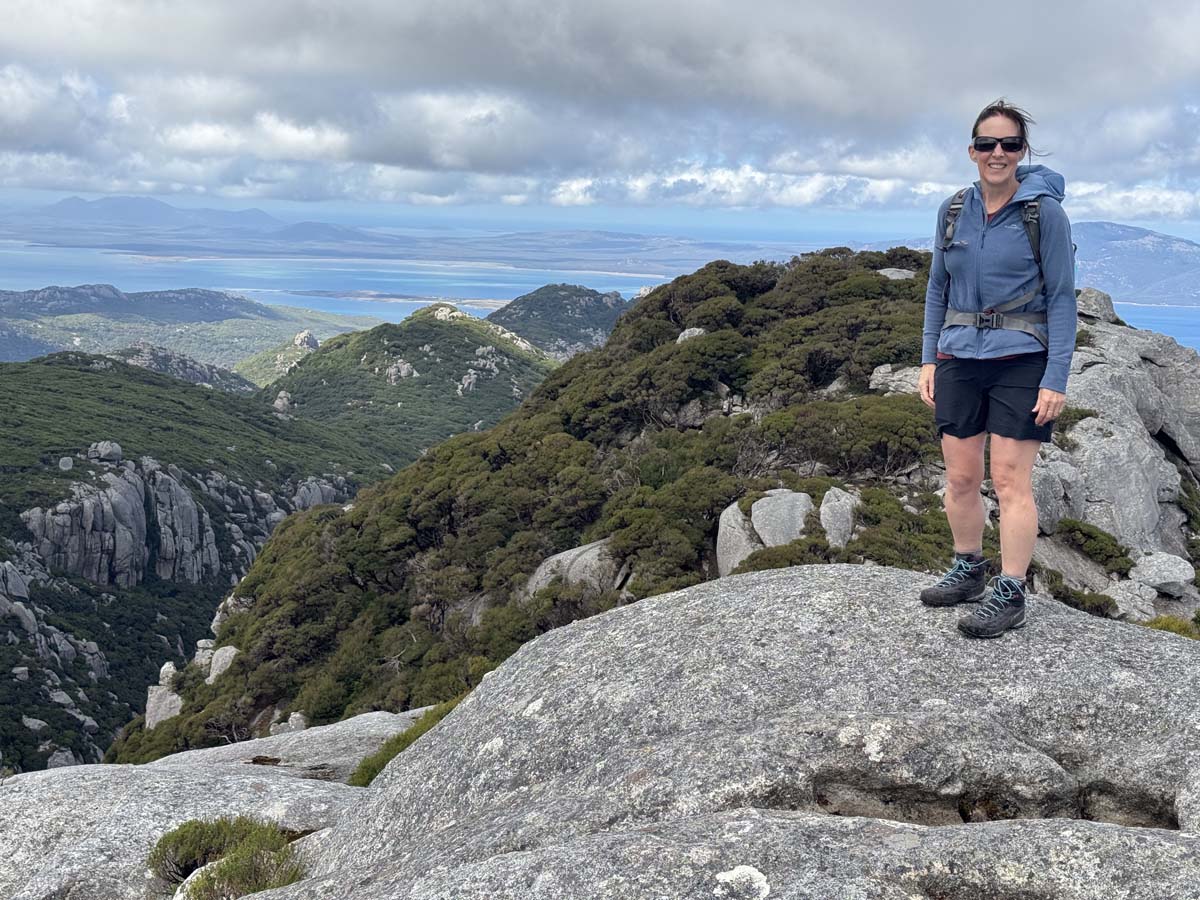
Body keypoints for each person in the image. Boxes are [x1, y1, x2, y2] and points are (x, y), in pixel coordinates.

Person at [916, 99, 1076, 638]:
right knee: (961, 478)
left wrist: (1055, 378)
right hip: (960, 355)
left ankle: (1009, 591)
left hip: (1022, 359)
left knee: (1009, 479)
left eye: (1009, 144)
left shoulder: (1043, 213)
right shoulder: (953, 210)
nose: (998, 153)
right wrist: (928, 358)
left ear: (1022, 151)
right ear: (972, 151)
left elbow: (1061, 299)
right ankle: (968, 569)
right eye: (987, 144)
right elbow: (938, 286)